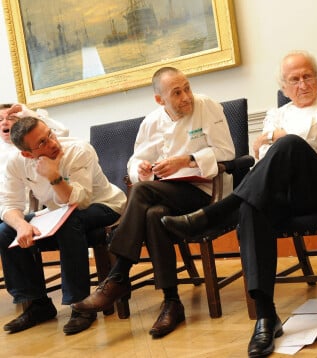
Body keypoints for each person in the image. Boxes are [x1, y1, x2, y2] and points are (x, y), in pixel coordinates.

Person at [160, 50, 317, 357]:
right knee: (252, 204)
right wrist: (297, 140)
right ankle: (266, 315)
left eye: (308, 76)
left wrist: (282, 139)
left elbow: (305, 135)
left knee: (289, 145)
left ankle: (215, 214)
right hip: (287, 197)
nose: (303, 84)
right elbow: (263, 156)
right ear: (284, 87)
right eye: (294, 79)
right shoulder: (276, 114)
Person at [70, 66, 236, 339]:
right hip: (168, 193)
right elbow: (135, 161)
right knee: (153, 214)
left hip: (205, 191)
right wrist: (142, 170)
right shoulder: (151, 122)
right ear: (160, 100)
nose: (186, 97)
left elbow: (227, 152)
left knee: (144, 194)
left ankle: (118, 275)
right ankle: (172, 301)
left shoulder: (207, 106)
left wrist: (187, 160)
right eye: (176, 92)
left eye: (187, 88)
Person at [0, 116, 126, 335]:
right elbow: (9, 204)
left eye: (49, 134)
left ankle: (80, 306)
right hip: (57, 213)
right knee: (5, 230)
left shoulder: (78, 150)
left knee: (69, 221)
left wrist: (53, 176)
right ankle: (37, 303)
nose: (52, 143)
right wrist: (21, 225)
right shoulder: (15, 163)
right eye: (41, 143)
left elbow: (81, 201)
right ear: (27, 154)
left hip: (104, 205)